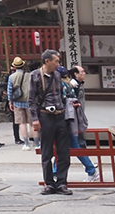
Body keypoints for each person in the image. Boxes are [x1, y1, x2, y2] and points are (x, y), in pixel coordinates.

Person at [29, 50, 72, 195]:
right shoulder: (35, 75)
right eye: (56, 61)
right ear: (47, 61)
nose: (58, 64)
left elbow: (62, 95)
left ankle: (62, 183)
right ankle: (49, 183)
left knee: (64, 152)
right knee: (46, 152)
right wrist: (34, 118)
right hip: (45, 116)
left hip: (60, 115)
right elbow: (32, 99)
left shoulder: (58, 75)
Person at [64, 65, 100, 183]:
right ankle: (90, 169)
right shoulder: (71, 85)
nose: (84, 73)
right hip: (72, 120)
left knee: (69, 146)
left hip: (72, 121)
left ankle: (90, 169)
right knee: (72, 146)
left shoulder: (74, 85)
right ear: (75, 74)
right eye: (82, 71)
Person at [8, 57, 32, 147]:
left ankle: (26, 144)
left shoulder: (11, 77)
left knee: (22, 123)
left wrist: (10, 102)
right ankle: (37, 143)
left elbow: (10, 91)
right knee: (32, 123)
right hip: (29, 101)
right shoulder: (29, 75)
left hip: (17, 102)